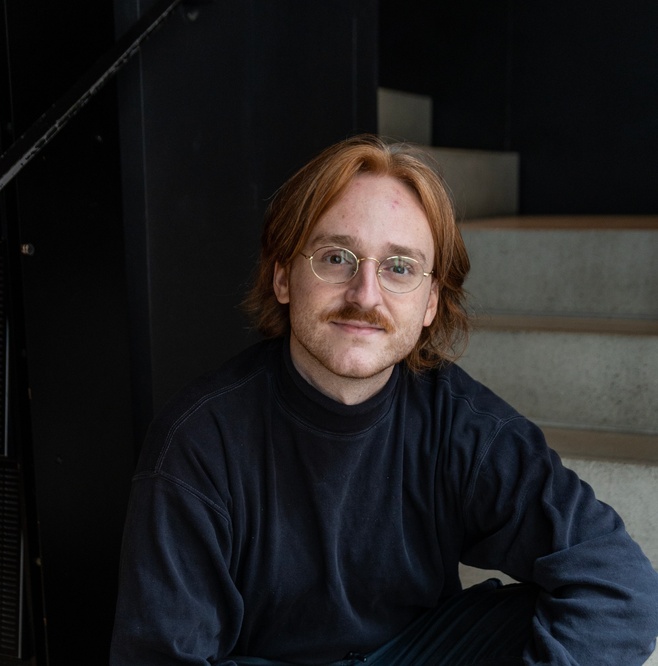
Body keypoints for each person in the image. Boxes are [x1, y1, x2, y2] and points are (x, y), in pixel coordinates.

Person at [110, 135, 658, 665]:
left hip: (419, 653)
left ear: (430, 302)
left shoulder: (461, 424)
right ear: (283, 277)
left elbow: (620, 586)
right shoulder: (199, 441)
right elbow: (160, 656)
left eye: (399, 267)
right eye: (336, 257)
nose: (365, 295)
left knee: (555, 616)